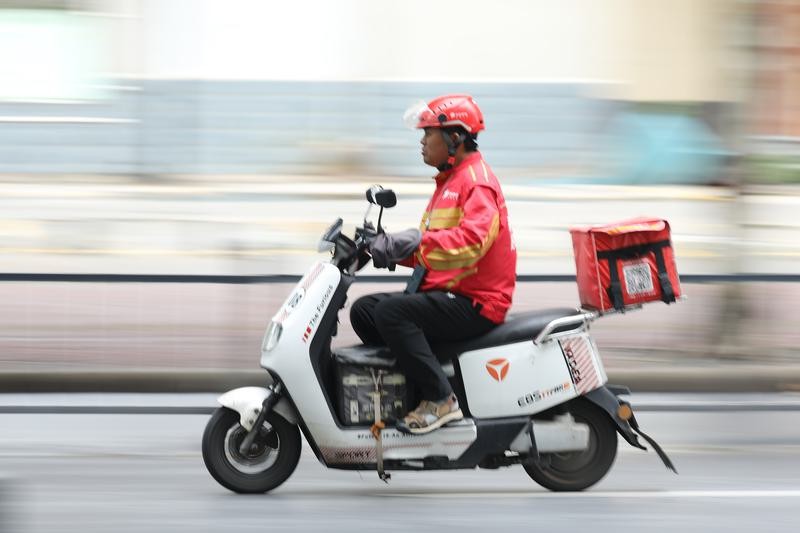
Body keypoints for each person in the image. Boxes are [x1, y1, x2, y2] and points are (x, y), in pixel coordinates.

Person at [350, 94, 517, 434]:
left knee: (391, 313)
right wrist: (386, 248)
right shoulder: (451, 181)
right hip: (448, 291)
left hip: (475, 301)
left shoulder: (476, 182)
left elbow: (471, 243)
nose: (422, 142)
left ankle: (441, 400)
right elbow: (434, 250)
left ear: (454, 137)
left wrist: (409, 242)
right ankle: (410, 392)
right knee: (364, 311)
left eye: (428, 133)